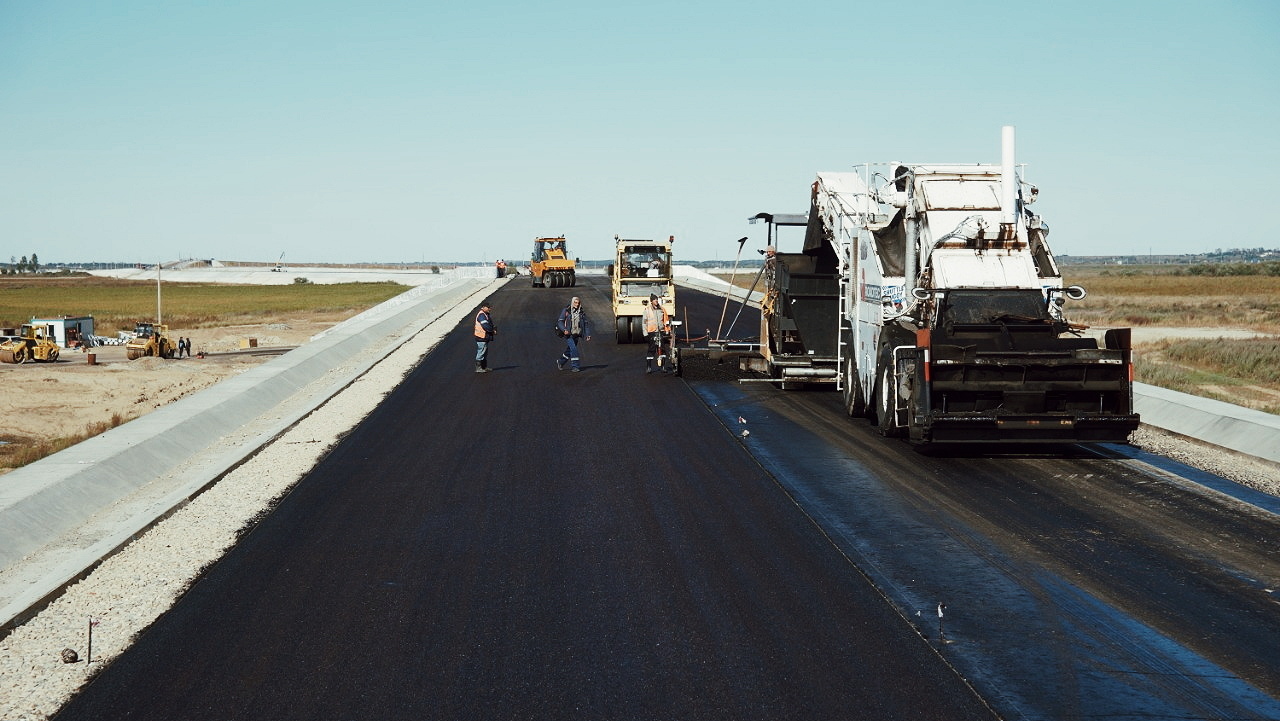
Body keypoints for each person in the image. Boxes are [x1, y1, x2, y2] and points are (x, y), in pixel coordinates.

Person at [556, 296, 593, 372]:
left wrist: (587, 334)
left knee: (570, 350)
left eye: (578, 303)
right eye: (575, 302)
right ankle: (575, 366)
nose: (577, 304)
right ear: (572, 302)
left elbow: (586, 324)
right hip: (568, 334)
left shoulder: (581, 312)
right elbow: (560, 321)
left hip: (576, 334)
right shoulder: (566, 310)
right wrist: (564, 329)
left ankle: (560, 361)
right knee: (574, 349)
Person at [642, 294, 672, 373]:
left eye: (657, 300)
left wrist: (667, 331)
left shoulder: (662, 309)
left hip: (660, 332)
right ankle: (649, 367)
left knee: (662, 349)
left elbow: (666, 321)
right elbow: (644, 323)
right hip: (651, 332)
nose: (656, 301)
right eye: (655, 300)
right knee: (651, 349)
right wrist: (645, 334)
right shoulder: (647, 310)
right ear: (651, 301)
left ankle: (662, 367)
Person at [474, 302, 496, 373]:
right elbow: (485, 326)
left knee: (484, 352)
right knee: (481, 352)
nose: (490, 308)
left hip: (484, 337)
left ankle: (484, 367)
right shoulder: (481, 315)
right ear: (483, 307)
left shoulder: (485, 314)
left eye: (490, 307)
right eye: (488, 307)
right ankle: (478, 368)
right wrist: (492, 331)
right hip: (481, 337)